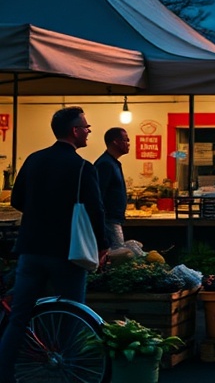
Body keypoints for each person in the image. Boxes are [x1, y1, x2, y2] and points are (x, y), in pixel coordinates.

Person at [0, 107, 108, 381]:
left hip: (31, 249)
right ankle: (69, 371)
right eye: (86, 127)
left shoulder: (34, 160)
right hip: (67, 251)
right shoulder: (83, 167)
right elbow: (96, 210)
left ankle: (5, 373)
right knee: (72, 313)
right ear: (74, 131)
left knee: (19, 317)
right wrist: (102, 246)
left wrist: (39, 212)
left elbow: (16, 200)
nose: (88, 131)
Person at [95, 127, 130, 250]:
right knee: (117, 255)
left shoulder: (112, 162)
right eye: (126, 140)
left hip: (114, 219)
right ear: (115, 141)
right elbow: (99, 194)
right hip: (109, 220)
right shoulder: (105, 164)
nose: (128, 143)